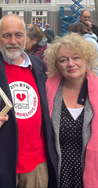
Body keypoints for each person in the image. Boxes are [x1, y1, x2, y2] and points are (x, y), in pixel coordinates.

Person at [0, 14, 58, 188]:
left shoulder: (36, 64)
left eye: (18, 35)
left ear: (25, 37)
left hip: (36, 161)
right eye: (6, 35)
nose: (13, 41)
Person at [44, 33, 98, 188]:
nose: (70, 63)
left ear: (86, 59)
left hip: (90, 172)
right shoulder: (47, 90)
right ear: (57, 64)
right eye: (63, 60)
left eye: (76, 57)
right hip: (57, 172)